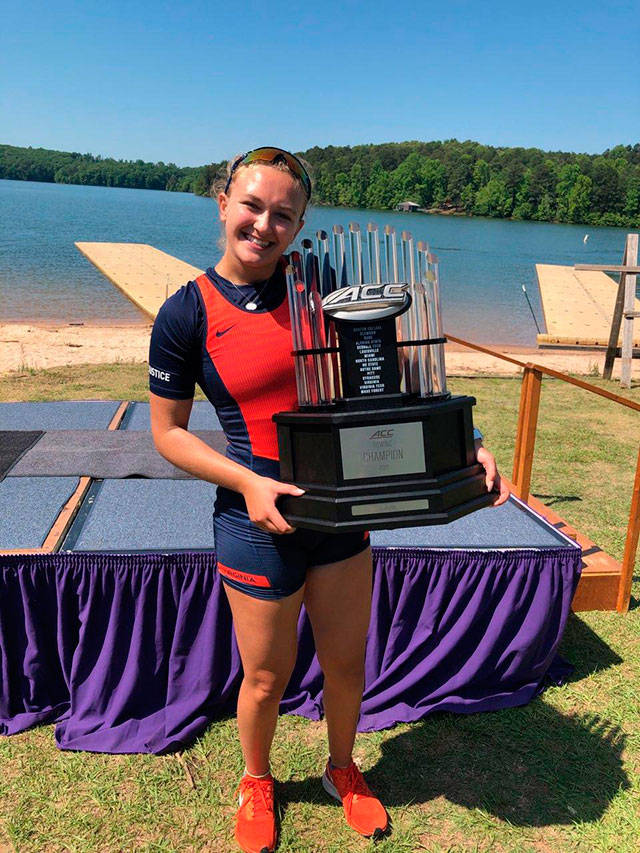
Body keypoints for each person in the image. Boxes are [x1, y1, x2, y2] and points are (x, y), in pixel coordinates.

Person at [148, 146, 510, 853]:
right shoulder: (186, 312)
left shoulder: (323, 288)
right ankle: (257, 779)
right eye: (252, 206)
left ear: (300, 224)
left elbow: (394, 379)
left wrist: (466, 444)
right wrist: (247, 481)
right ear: (223, 204)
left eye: (284, 215)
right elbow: (168, 434)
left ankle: (342, 767)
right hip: (256, 518)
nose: (264, 225)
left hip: (344, 509)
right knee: (265, 676)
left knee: (346, 663)